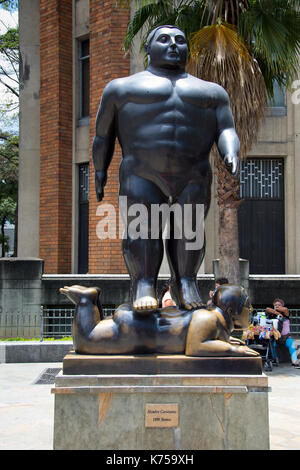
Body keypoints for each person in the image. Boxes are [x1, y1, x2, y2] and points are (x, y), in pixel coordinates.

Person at [92, 25, 239, 313]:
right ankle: (144, 283)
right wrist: (99, 171)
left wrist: (230, 152)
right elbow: (102, 136)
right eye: (164, 39)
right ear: (148, 48)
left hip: (193, 173)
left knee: (190, 231)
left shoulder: (211, 92)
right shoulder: (121, 88)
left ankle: (186, 281)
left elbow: (226, 129)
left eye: (180, 41)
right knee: (142, 230)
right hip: (140, 172)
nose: (173, 45)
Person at [266, 298, 300, 368]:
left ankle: (295, 362)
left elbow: (285, 309)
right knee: (272, 345)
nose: (277, 306)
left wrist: (279, 312)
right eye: (275, 305)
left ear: (282, 306)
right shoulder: (272, 314)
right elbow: (267, 309)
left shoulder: (286, 313)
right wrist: (277, 313)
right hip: (276, 337)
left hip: (286, 337)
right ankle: (275, 359)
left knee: (292, 344)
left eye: (279, 305)